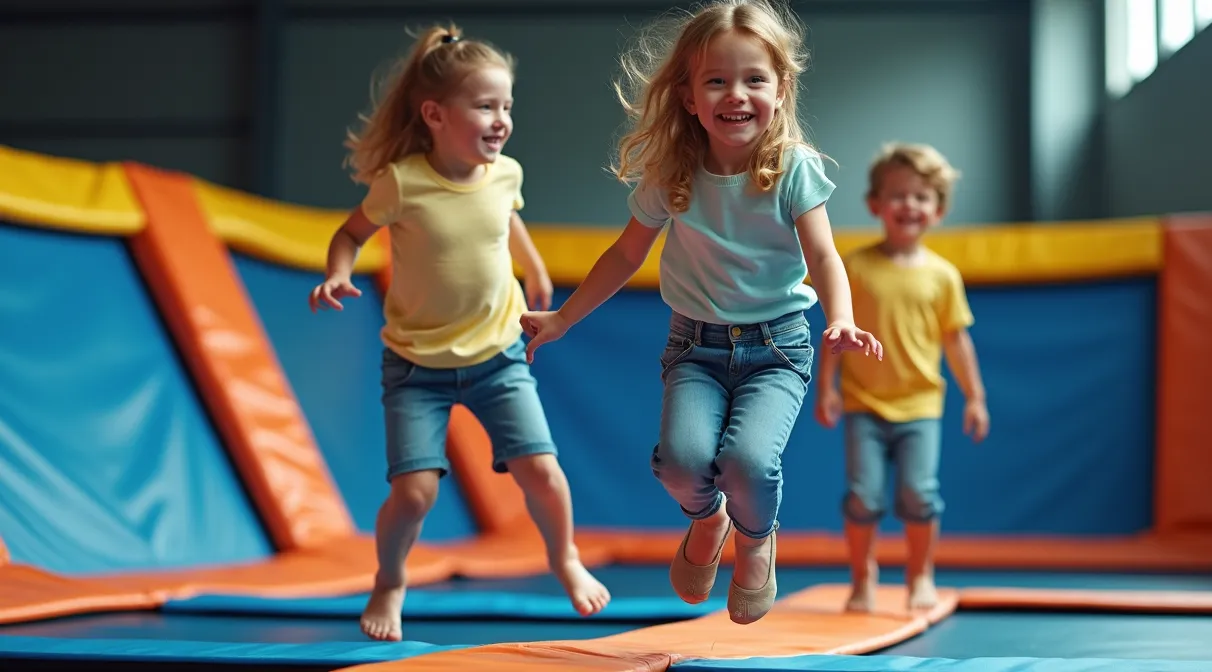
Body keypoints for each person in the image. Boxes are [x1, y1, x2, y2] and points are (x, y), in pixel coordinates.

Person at [518, 0, 881, 625]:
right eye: (716, 80)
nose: (735, 95)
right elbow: (624, 254)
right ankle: (708, 520)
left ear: (781, 88)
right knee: (683, 463)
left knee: (747, 463)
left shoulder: (792, 169)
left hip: (778, 347)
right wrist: (562, 319)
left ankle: (756, 539)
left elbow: (823, 254)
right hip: (696, 347)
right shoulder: (674, 174)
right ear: (688, 96)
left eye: (753, 79)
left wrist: (840, 317)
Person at [307, 23, 611, 642]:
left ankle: (565, 558)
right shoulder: (403, 183)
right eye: (485, 106)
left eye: (507, 107)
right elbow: (349, 235)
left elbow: (506, 218)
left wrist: (533, 265)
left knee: (544, 474)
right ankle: (390, 579)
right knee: (415, 493)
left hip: (498, 356)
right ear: (435, 114)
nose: (501, 120)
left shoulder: (506, 174)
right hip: (416, 367)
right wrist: (337, 274)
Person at [814, 142, 990, 614]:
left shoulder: (943, 276)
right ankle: (862, 576)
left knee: (918, 494)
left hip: (920, 407)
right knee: (863, 495)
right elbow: (835, 332)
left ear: (938, 209)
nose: (908, 205)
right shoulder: (854, 266)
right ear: (875, 204)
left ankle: (920, 573)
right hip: (863, 404)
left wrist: (975, 397)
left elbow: (956, 341)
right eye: (897, 195)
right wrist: (826, 387)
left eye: (920, 196)